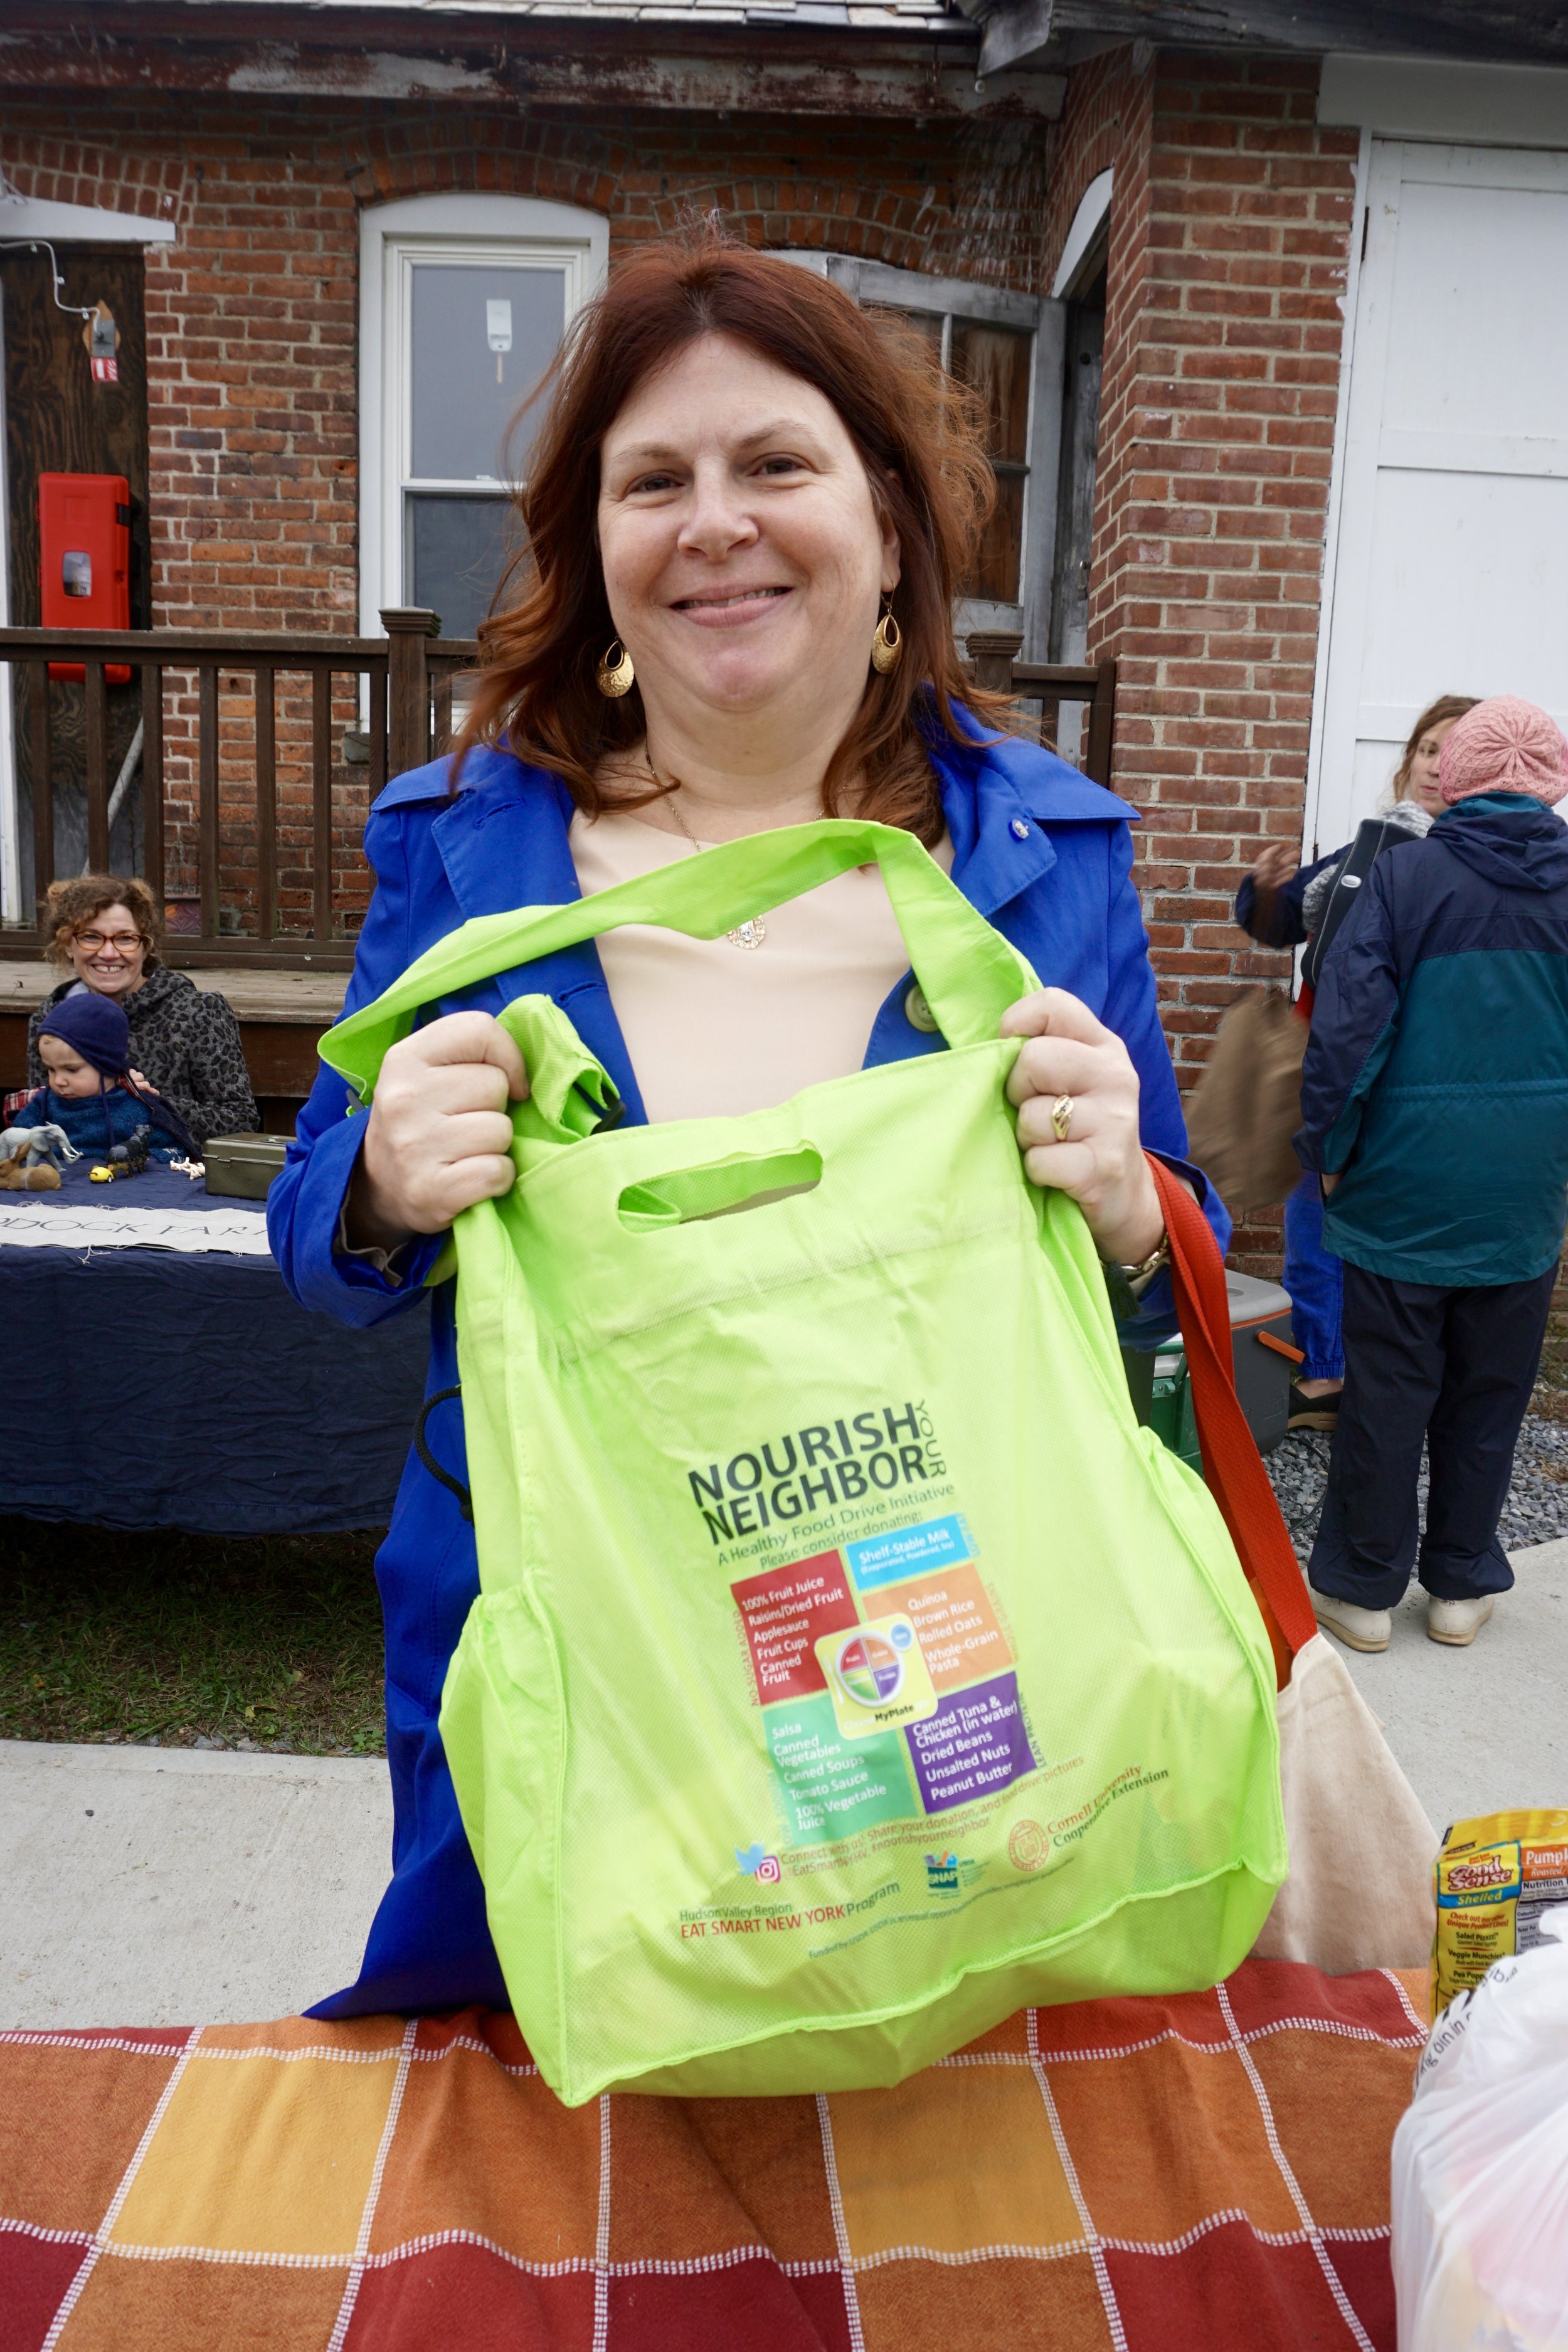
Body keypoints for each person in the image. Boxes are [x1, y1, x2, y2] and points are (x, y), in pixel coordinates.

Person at [270, 233, 1229, 2018]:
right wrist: (384, 1183)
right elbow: (323, 1242)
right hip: (567, 1618)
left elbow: (1178, 1248)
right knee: (558, 2069)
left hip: (935, 1608)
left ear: (883, 517)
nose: (713, 521)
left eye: (771, 463)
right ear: (598, 555)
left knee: (918, 2017)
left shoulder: (1042, 854)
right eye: (654, 481)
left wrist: (1124, 1207)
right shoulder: (464, 844)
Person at [1296, 695, 1568, 1654]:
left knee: (1387, 1390)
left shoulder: (1408, 878)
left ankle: (1364, 1592)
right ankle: (1459, 1584)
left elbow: (1348, 1031)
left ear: (1457, 777)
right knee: (1492, 1392)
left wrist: (1327, 1151)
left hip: (1403, 1190)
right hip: (1524, 1198)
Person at [1234, 696, 1477, 1431]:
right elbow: (1290, 923)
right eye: (1428, 749)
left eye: (1454, 753)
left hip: (1398, 1079)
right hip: (1329, 1070)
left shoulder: (1469, 859)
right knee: (1313, 1222)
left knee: (1373, 1234)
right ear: (1408, 759)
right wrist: (1268, 894)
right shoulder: (1374, 842)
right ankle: (1326, 1372)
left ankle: (1370, 1384)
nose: (1436, 766)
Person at [26, 875, 258, 1148]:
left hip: (173, 1179)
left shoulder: (198, 1012)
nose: (109, 953)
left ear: (145, 946)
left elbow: (240, 1122)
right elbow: (43, 1118)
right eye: (91, 937)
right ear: (67, 944)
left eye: (125, 939)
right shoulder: (52, 1016)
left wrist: (147, 1103)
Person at [12, 993, 198, 1163]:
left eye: (72, 1069)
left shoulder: (135, 1110)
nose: (58, 1080)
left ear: (106, 1064)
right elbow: (18, 1140)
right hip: (54, 1187)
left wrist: (149, 1163)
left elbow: (174, 1150)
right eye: (51, 1070)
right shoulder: (44, 1104)